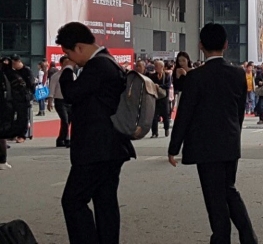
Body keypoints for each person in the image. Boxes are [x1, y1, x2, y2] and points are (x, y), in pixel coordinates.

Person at [168, 23, 258, 244]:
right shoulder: (238, 74)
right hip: (230, 141)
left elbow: (184, 114)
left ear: (201, 46)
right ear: (226, 45)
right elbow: (239, 112)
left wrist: (174, 147)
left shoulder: (195, 77)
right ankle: (248, 236)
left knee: (214, 197)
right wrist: (234, 133)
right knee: (229, 190)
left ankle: (221, 238)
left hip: (205, 145)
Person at [56, 22, 135, 244]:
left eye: (69, 53)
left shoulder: (97, 65)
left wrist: (67, 70)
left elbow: (71, 94)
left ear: (79, 47)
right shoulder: (110, 62)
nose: (69, 58)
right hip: (112, 147)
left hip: (95, 149)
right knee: (105, 202)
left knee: (73, 201)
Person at [48, 55, 74, 148]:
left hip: (70, 102)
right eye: (66, 62)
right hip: (60, 101)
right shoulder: (56, 76)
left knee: (69, 121)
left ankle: (62, 139)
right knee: (65, 120)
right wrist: (50, 101)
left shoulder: (73, 75)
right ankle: (65, 139)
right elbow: (52, 89)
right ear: (61, 64)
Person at [10, 55, 35, 143]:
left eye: (13, 63)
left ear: (18, 62)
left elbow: (31, 85)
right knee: (12, 116)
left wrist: (30, 95)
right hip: (13, 97)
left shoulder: (27, 71)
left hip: (23, 97)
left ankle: (22, 135)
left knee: (23, 117)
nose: (13, 65)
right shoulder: (13, 72)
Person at [149, 60, 172, 138]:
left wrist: (159, 86)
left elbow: (168, 85)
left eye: (157, 66)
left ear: (162, 67)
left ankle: (166, 129)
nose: (155, 68)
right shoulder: (152, 76)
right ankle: (154, 132)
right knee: (154, 116)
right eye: (155, 66)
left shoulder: (167, 75)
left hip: (164, 98)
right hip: (155, 98)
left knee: (165, 115)